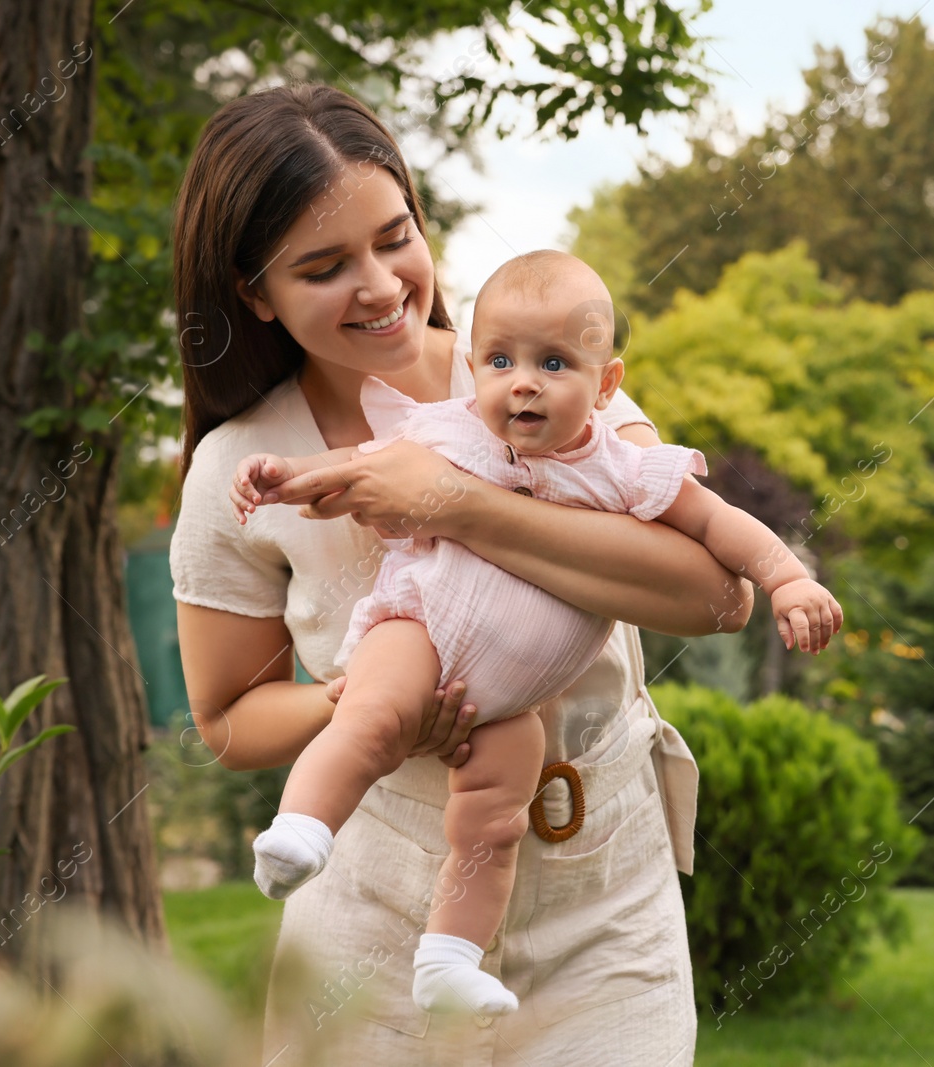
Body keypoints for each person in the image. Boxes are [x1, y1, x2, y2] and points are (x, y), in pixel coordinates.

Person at [171, 83, 755, 1065]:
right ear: (255, 293)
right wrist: (362, 705)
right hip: (372, 911)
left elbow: (713, 593)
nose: (380, 283)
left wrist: (454, 504)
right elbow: (227, 716)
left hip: (604, 903)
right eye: (323, 266)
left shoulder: (542, 378)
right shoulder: (242, 468)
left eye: (394, 237)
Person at [229, 249, 842, 1017]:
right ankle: (302, 828)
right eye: (499, 359)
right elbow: (356, 464)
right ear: (476, 368)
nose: (523, 381)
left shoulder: (621, 467)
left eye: (554, 362)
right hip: (418, 630)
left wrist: (787, 577)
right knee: (373, 715)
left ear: (606, 384)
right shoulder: (449, 433)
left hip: (515, 704)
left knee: (493, 821)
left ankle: (448, 958)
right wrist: (288, 476)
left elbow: (718, 525)